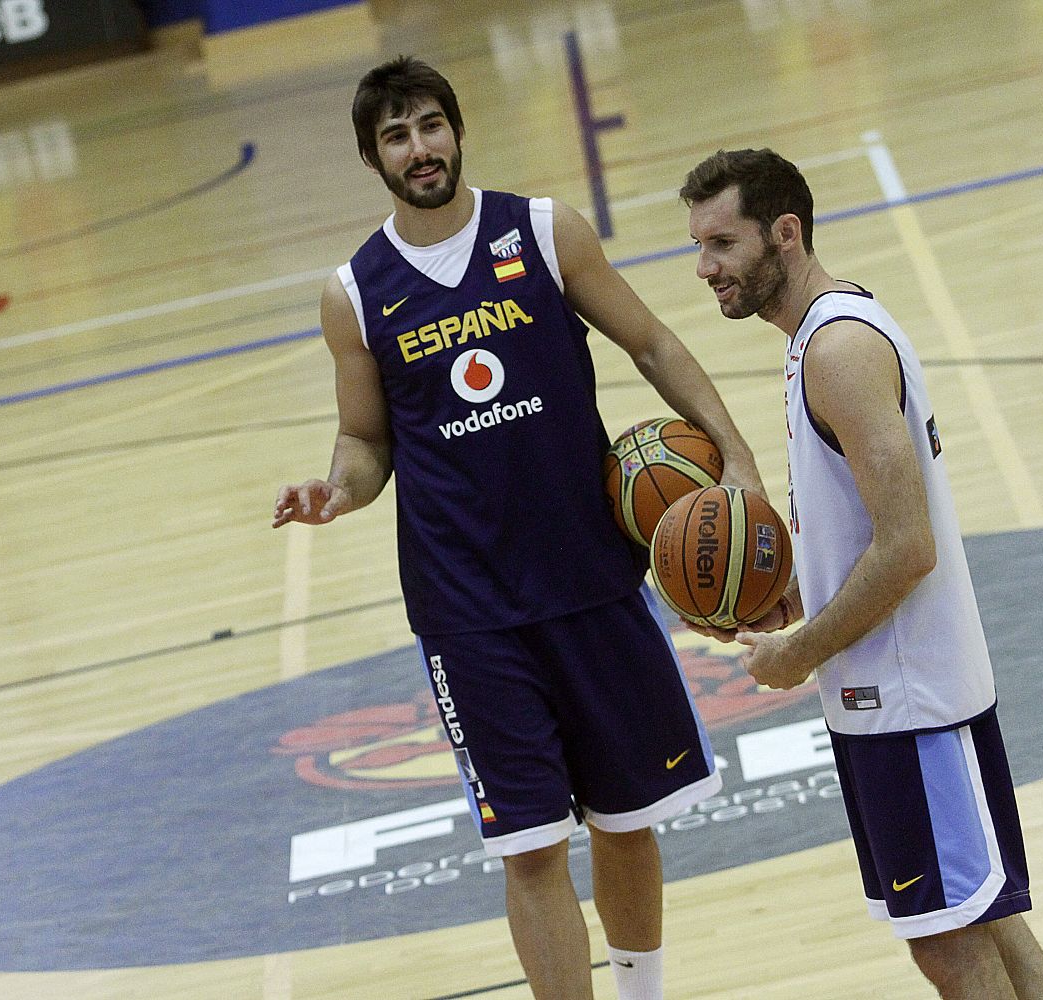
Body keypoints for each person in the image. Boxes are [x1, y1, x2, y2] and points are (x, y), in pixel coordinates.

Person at [272, 57, 762, 1000]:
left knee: (629, 817)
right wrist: (337, 489)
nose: (420, 149)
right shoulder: (356, 292)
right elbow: (366, 440)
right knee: (531, 847)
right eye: (396, 136)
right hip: (469, 613)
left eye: (429, 126)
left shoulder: (543, 232)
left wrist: (734, 456)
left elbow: (653, 342)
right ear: (373, 158)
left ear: (457, 130)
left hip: (591, 578)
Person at [680, 148, 1043, 999]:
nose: (706, 268)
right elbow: (863, 529)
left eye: (722, 243)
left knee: (950, 943)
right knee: (984, 916)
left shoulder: (839, 349)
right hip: (897, 696)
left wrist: (801, 650)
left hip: (909, 701)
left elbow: (907, 546)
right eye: (698, 247)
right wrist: (788, 597)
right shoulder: (822, 336)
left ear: (786, 233)